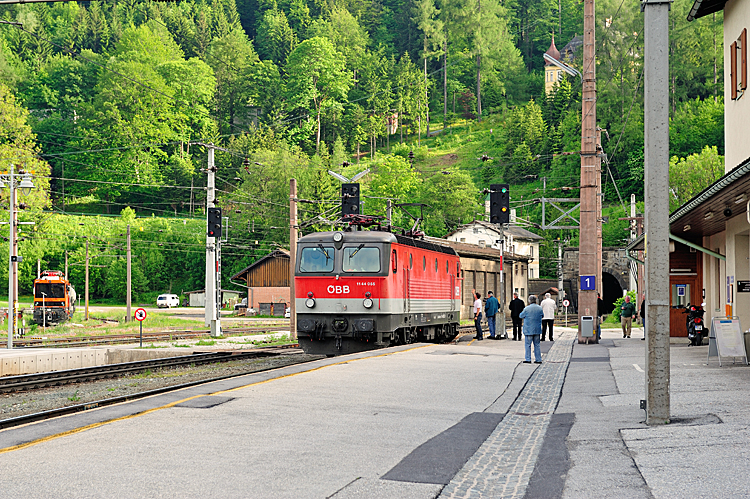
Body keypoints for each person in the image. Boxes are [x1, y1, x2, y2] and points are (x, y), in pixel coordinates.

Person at [519, 295, 544, 364]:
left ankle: (528, 359)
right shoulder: (539, 308)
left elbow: (521, 316)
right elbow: (542, 315)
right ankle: (538, 359)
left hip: (528, 329)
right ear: (536, 300)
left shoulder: (527, 309)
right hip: (537, 329)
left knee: (528, 345)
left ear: (529, 301)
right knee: (537, 344)